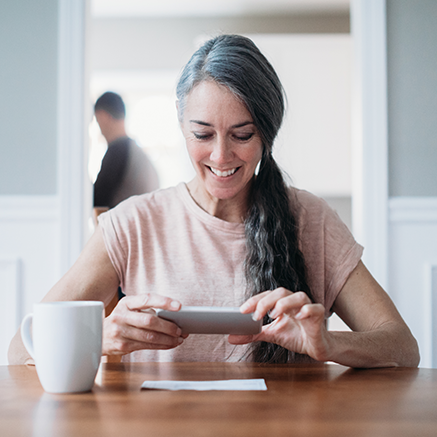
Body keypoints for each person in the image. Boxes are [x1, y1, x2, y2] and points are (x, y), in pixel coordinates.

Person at [9, 35, 419, 367]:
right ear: (180, 121)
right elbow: (20, 348)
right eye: (202, 134)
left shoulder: (310, 220)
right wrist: (97, 339)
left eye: (242, 135)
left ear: (267, 132)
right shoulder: (131, 225)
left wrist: (328, 344)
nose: (221, 156)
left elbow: (402, 346)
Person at [93, 91, 159, 211]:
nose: (99, 130)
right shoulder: (137, 153)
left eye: (97, 121)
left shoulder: (117, 152)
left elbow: (98, 199)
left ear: (103, 117)